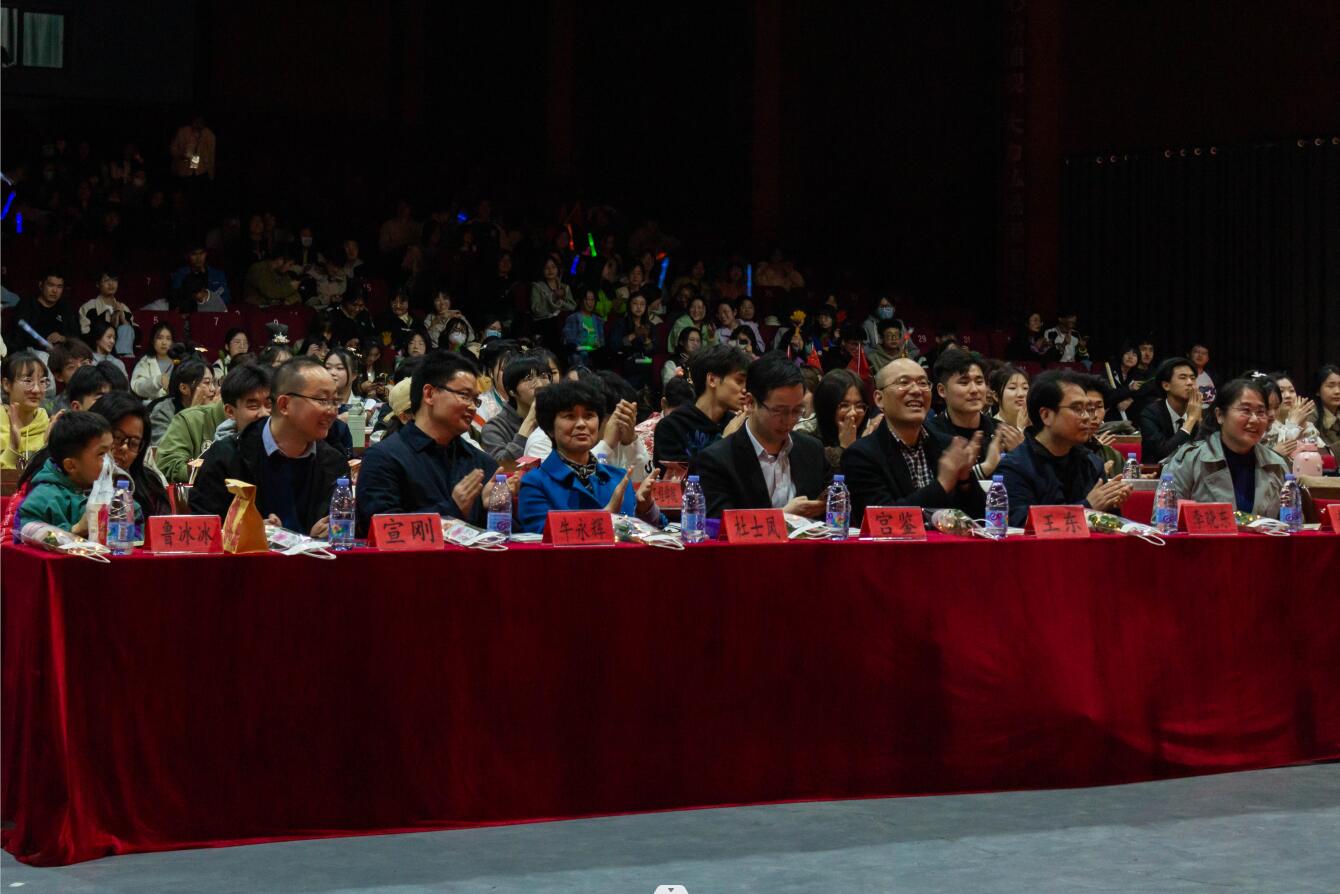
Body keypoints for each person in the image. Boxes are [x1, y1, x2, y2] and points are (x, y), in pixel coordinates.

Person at [191, 358, 349, 536]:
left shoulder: (334, 463)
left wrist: (321, 537)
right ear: (284, 405)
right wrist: (247, 534)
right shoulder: (225, 458)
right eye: (322, 400)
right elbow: (202, 531)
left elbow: (342, 531)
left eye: (335, 401)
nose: (332, 411)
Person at [356, 351, 504, 533]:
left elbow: (508, 539)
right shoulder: (383, 458)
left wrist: (494, 510)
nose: (472, 407)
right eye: (464, 395)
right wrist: (452, 508)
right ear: (429, 394)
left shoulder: (481, 463)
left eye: (475, 400)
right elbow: (383, 531)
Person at [841, 358, 985, 525]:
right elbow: (882, 520)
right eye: (904, 383)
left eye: (923, 383)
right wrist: (942, 484)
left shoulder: (948, 446)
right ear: (879, 399)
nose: (917, 390)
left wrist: (965, 479)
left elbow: (983, 519)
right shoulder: (860, 455)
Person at [689, 352, 826, 518]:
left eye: (797, 411)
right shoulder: (717, 460)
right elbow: (720, 525)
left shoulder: (812, 450)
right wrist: (782, 517)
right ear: (750, 402)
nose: (789, 420)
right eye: (779, 411)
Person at [516, 380, 663, 534]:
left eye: (589, 416)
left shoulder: (618, 476)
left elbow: (653, 531)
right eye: (570, 416)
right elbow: (542, 534)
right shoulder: (535, 482)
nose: (581, 424)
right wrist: (605, 516)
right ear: (550, 428)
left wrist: (645, 509)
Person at [996, 369, 1130, 527]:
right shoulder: (1014, 467)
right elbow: (1020, 524)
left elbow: (1113, 526)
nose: (1087, 417)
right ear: (1046, 415)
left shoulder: (1092, 463)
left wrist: (1112, 499)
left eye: (1088, 409)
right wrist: (1087, 507)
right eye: (1077, 409)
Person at [1164, 378, 1287, 516]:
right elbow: (1163, 520)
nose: (1254, 419)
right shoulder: (1189, 460)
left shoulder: (1277, 465)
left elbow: (1292, 523)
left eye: (1260, 412)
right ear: (1220, 415)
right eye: (1246, 410)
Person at [927, 349, 1022, 480]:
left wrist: (1021, 457)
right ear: (942, 390)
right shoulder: (929, 434)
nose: (974, 390)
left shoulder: (1003, 432)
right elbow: (939, 486)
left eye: (979, 382)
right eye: (964, 382)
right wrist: (987, 467)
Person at [652, 343, 751, 469]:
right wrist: (724, 440)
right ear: (712, 380)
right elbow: (677, 478)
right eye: (739, 381)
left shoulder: (738, 424)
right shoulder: (672, 427)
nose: (746, 390)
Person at [16, 411, 113, 533]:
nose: (111, 460)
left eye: (111, 450)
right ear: (71, 465)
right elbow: (27, 534)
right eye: (102, 453)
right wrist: (76, 530)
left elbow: (131, 528)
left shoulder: (113, 492)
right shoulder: (43, 499)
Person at [88, 392, 171, 518]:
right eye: (117, 437)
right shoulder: (70, 486)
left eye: (134, 443)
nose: (124, 448)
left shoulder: (150, 487)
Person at [479, 356, 548, 463]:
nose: (539, 385)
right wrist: (530, 421)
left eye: (543, 376)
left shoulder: (557, 416)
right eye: (529, 378)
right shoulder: (494, 427)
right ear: (512, 391)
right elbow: (502, 466)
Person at [1137, 357, 1203, 463]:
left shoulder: (1200, 412)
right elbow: (1162, 453)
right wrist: (1191, 420)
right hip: (1155, 472)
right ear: (1166, 385)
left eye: (1193, 378)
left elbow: (1209, 452)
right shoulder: (1150, 414)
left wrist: (1200, 421)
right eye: (1183, 378)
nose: (1190, 382)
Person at [812, 369, 870, 477]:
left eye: (859, 406)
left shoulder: (869, 439)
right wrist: (845, 448)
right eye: (844, 405)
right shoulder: (808, 443)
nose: (853, 412)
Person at [148, 358, 216, 448]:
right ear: (184, 388)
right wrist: (192, 412)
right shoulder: (163, 412)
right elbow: (165, 450)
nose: (213, 389)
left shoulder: (212, 410)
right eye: (207, 383)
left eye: (213, 382)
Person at [2, 352, 51, 470]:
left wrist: (47, 447)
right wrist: (12, 448)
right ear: (7, 384)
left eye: (42, 381)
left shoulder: (50, 429)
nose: (36, 389)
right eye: (28, 381)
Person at [76, 271, 139, 357]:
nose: (111, 284)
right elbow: (85, 337)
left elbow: (136, 337)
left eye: (114, 280)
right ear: (98, 284)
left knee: (126, 328)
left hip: (121, 357)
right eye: (106, 280)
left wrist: (122, 318)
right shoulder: (88, 308)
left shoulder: (124, 308)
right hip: (96, 355)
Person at [1261, 372, 1321, 459]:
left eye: (1291, 391)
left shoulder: (1301, 421)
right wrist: (1293, 423)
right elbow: (1281, 448)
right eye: (1281, 391)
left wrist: (1304, 427)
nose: (1288, 396)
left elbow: (1319, 449)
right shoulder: (1267, 425)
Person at [208, 364, 273, 443]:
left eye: (269, 405)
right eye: (253, 406)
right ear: (230, 412)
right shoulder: (221, 449)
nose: (264, 413)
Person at [10, 270, 69, 353]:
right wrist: (42, 342)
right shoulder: (27, 304)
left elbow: (75, 334)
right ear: (41, 285)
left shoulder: (65, 307)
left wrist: (62, 338)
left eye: (59, 287)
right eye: (50, 285)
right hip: (31, 351)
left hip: (62, 351)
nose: (55, 291)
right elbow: (19, 334)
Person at [530, 256, 576, 349]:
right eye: (546, 268)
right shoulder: (537, 287)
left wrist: (559, 301)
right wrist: (553, 297)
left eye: (553, 267)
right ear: (542, 270)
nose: (550, 270)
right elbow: (536, 310)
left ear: (558, 269)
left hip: (563, 324)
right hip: (544, 325)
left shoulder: (565, 287)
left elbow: (572, 307)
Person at [170, 243, 231, 308]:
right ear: (187, 256)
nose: (198, 258)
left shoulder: (217, 274)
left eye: (201, 253)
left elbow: (226, 298)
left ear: (206, 253)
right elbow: (175, 299)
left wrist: (208, 298)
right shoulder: (181, 274)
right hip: (190, 311)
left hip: (213, 311)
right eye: (194, 254)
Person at [130, 323, 176, 401]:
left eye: (168, 339)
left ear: (172, 342)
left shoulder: (180, 361)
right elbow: (137, 387)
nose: (164, 342)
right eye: (160, 338)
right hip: (151, 406)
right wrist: (157, 381)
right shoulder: (145, 362)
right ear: (152, 340)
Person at [562, 288, 605, 366]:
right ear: (581, 301)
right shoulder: (573, 318)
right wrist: (588, 348)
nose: (590, 303)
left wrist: (597, 346)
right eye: (587, 299)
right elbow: (570, 343)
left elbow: (601, 342)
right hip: (579, 355)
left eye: (592, 299)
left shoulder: (598, 319)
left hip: (595, 355)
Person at [1309, 364, 1340, 456]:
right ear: (1318, 391)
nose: (1337, 391)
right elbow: (1319, 453)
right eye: (1331, 386)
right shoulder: (1309, 416)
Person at [990, 364, 1030, 430]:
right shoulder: (989, 428)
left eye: (1025, 388)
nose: (1021, 394)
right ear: (996, 396)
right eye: (1012, 388)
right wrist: (1020, 429)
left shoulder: (1037, 427)